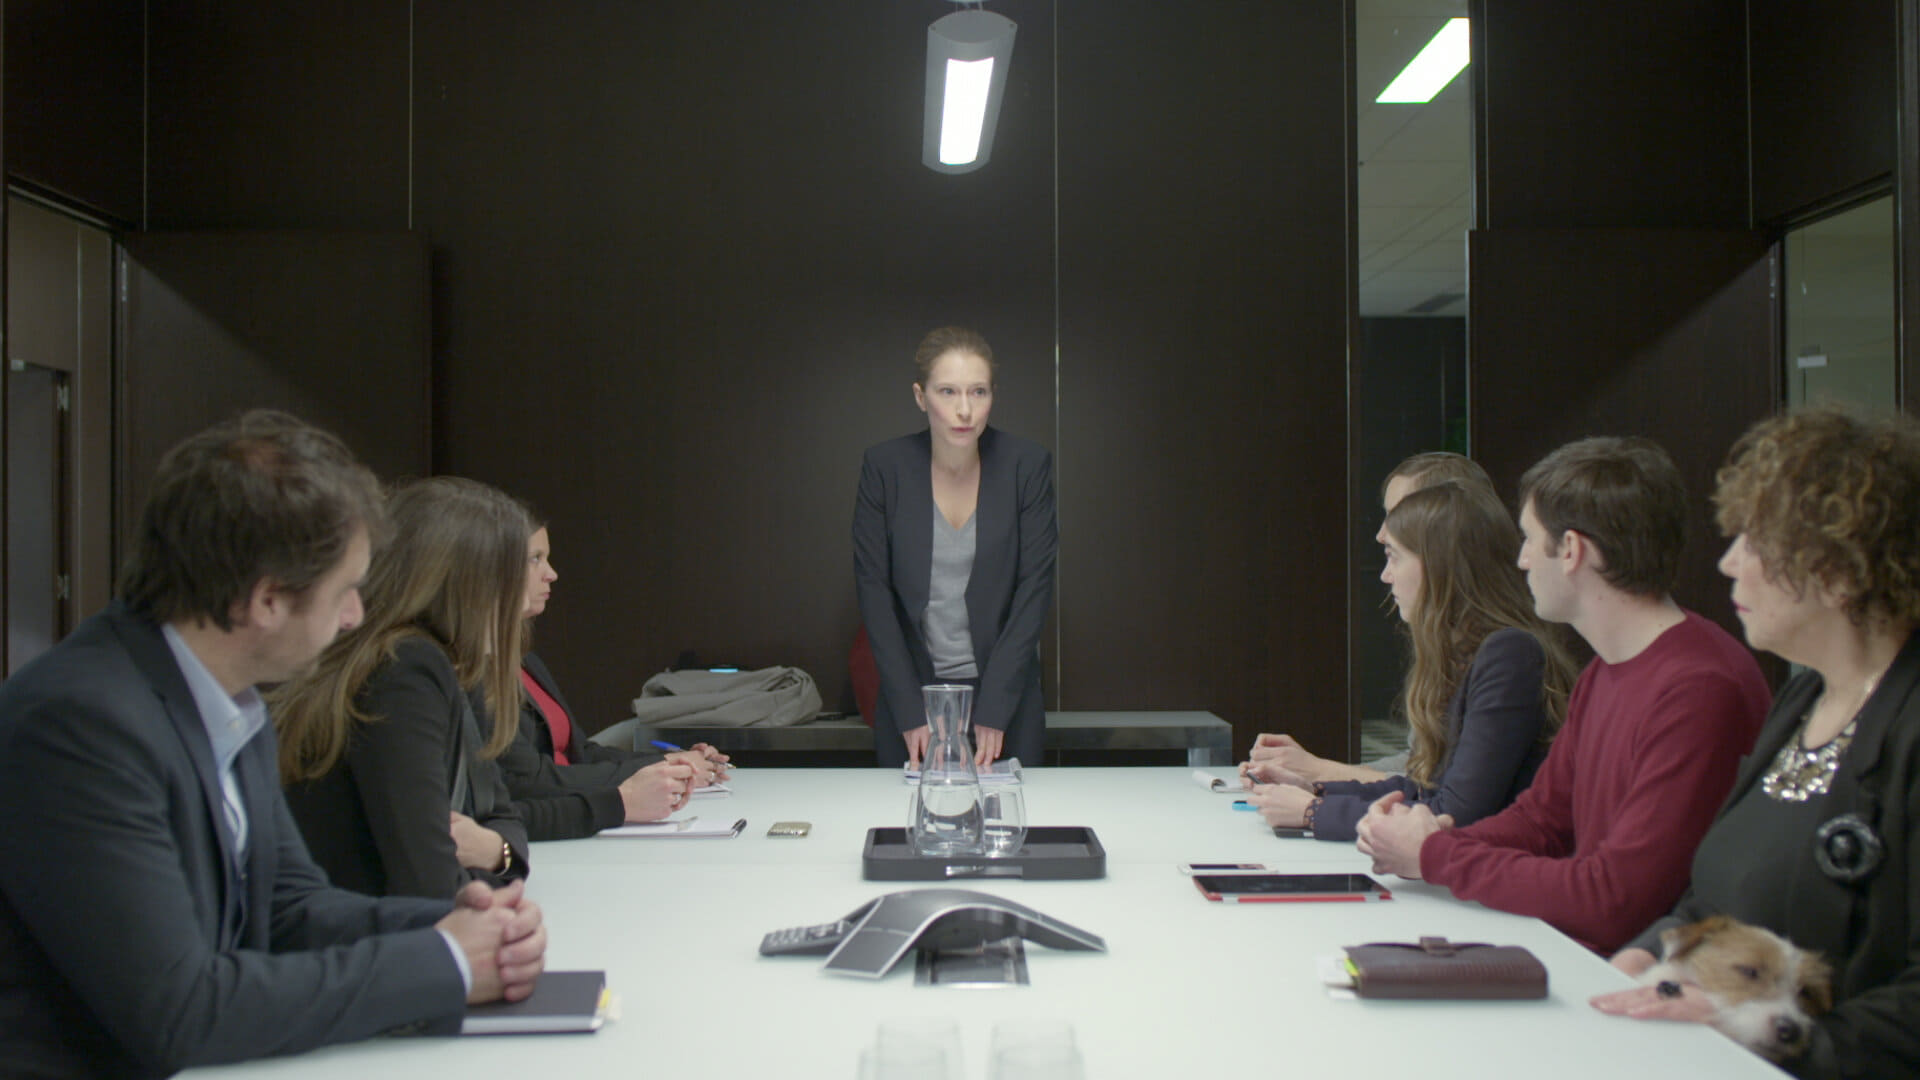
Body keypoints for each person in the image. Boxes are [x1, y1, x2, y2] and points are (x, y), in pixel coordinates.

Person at [0, 412, 545, 1077]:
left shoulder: (227, 697)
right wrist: (447, 962)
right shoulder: (82, 724)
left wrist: (449, 923)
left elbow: (288, 908)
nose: (355, 615)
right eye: (345, 590)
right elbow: (180, 1012)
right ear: (266, 601)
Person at [1591, 406, 1920, 1077]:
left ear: (1842, 566)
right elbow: (1715, 901)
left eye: (1755, 541)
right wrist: (1649, 955)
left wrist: (1767, 1034)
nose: (1729, 562)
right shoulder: (1802, 700)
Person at [1357, 436, 1772, 954]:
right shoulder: (1606, 670)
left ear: (1572, 551)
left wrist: (1436, 855)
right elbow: (1542, 820)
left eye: (1530, 540)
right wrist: (1433, 839)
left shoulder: (1699, 688)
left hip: (1640, 974)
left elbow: (1614, 899)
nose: (1521, 560)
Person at [1245, 480, 1580, 839]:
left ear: (1438, 566)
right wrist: (1316, 792)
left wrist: (1314, 812)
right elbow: (1427, 790)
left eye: (1393, 557)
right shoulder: (1473, 653)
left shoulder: (1508, 654)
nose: (1385, 575)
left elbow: (1453, 813)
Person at [275, 477, 544, 898]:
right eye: (512, 585)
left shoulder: (434, 662)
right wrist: (494, 877)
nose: (524, 604)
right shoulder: (406, 669)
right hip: (373, 926)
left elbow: (500, 812)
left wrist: (497, 850)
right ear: (466, 587)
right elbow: (428, 882)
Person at [854, 326, 1057, 769]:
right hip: (912, 696)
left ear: (992, 396)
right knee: (906, 813)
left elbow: (1034, 589)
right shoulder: (885, 468)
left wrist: (996, 707)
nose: (964, 409)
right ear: (920, 396)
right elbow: (873, 592)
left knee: (1012, 812)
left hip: (1006, 697)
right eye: (948, 391)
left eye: (978, 392)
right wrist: (909, 709)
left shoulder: (1026, 465)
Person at [1245, 451, 1498, 784]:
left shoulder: (1498, 652)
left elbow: (1443, 792)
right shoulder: (1450, 635)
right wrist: (1309, 776)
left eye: (1398, 515)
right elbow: (1419, 766)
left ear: (1446, 522)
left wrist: (1318, 775)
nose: (1380, 534)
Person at [499, 519, 725, 840]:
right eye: (535, 558)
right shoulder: (472, 674)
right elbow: (530, 781)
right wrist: (632, 792)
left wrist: (668, 762)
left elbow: (581, 753)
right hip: (554, 831)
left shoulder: (525, 660)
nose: (551, 574)